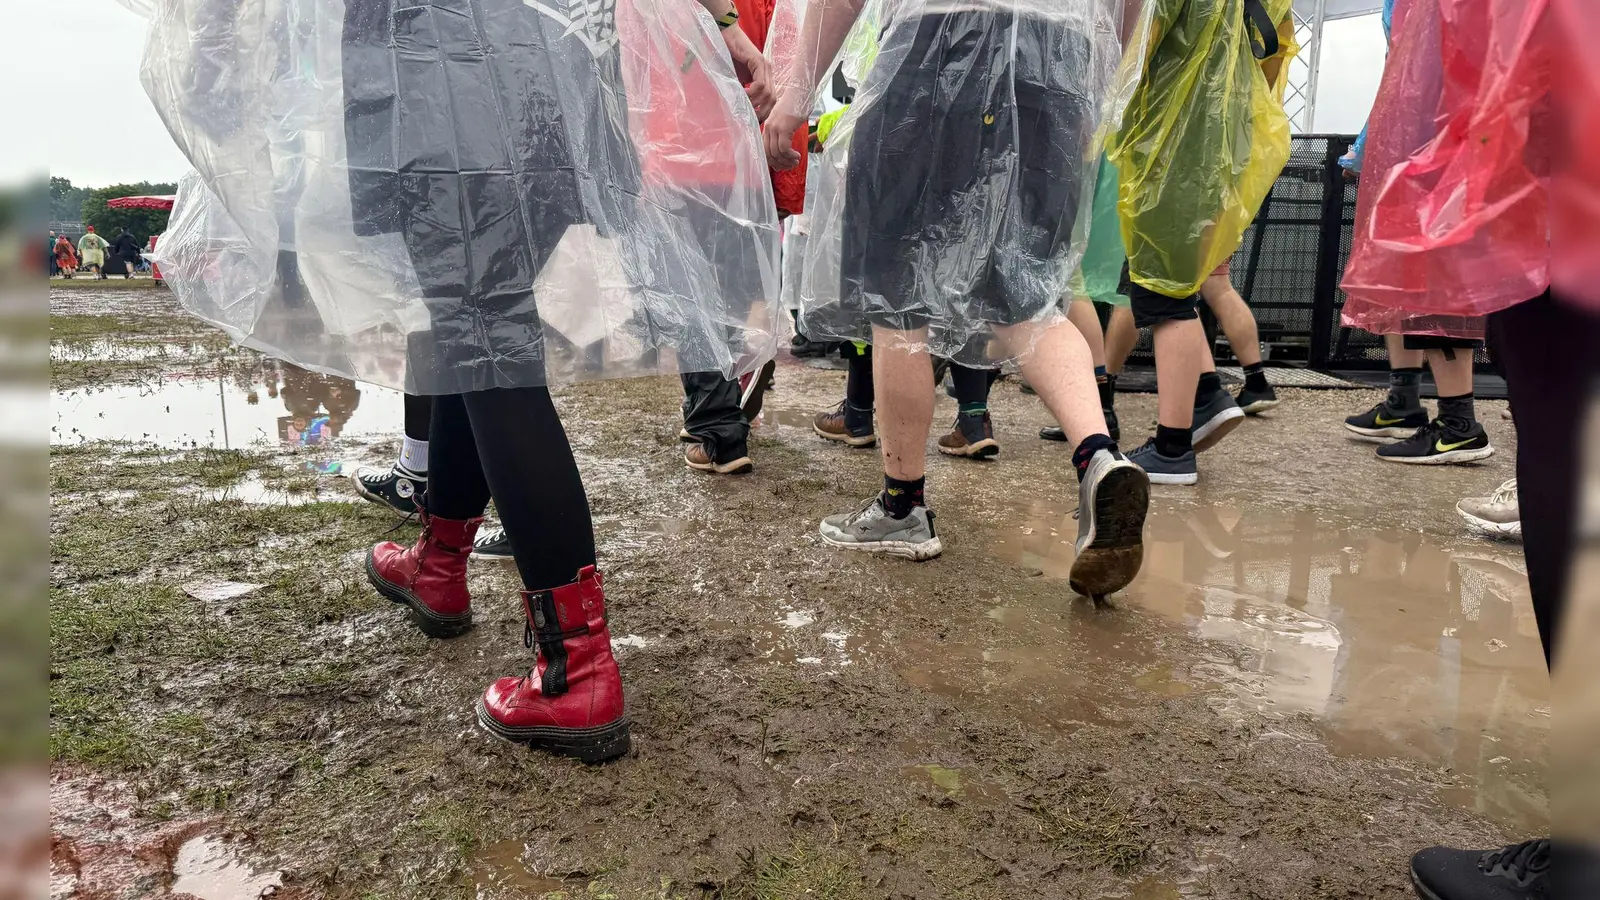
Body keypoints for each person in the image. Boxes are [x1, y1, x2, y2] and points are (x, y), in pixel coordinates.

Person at [147, 0, 781, 764]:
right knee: (463, 319)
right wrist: (724, 22)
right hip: (566, 57)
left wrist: (214, 43)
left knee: (482, 330)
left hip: (438, 59)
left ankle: (575, 665)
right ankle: (440, 565)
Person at [767, 0, 1150, 597]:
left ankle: (902, 509)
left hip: (933, 48)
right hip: (1059, 65)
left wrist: (794, 97)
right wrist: (1092, 93)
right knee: (1027, 297)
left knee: (899, 297)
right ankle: (1099, 457)